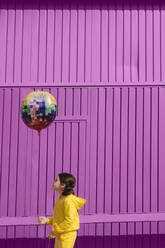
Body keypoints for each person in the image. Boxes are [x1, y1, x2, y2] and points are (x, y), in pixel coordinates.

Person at [38, 173, 86, 248]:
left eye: (56, 180)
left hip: (67, 235)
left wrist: (55, 231)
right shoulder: (60, 199)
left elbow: (69, 222)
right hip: (61, 233)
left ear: (62, 185)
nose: (54, 182)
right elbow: (60, 219)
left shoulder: (68, 201)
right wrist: (47, 220)